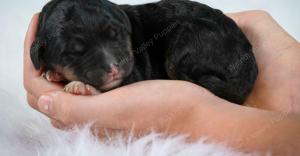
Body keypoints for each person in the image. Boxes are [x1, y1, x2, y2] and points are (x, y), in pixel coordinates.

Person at [23, 10, 300, 155]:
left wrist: (192, 116)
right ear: (43, 56)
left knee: (185, 41)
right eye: (78, 51)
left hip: (211, 48)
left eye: (114, 36)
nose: (112, 65)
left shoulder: (164, 31)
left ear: (121, 21)